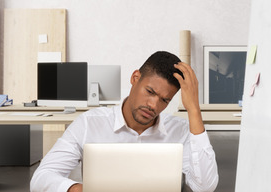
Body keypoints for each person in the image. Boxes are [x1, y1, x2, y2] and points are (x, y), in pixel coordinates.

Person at [30, 51, 218, 192]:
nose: (153, 105)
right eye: (150, 92)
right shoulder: (89, 123)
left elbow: (205, 187)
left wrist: (193, 109)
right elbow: (40, 179)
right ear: (135, 78)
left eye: (164, 100)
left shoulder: (181, 130)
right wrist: (76, 189)